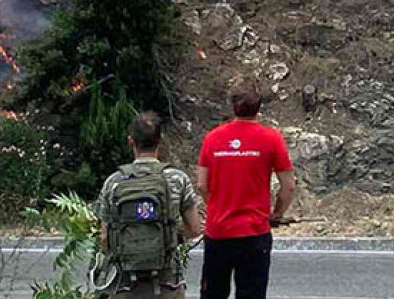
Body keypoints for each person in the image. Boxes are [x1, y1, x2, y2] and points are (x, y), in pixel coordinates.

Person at [196, 78, 296, 299]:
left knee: (213, 293)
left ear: (233, 105)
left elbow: (202, 184)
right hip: (254, 232)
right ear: (259, 107)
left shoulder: (212, 139)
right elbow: (288, 186)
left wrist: (215, 204)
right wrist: (277, 213)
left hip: (219, 230)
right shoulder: (272, 139)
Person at [97, 112, 204, 299]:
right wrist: (170, 236)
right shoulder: (177, 179)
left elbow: (105, 239)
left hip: (126, 286)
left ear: (131, 141)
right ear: (160, 141)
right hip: (167, 284)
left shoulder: (113, 183)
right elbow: (195, 229)